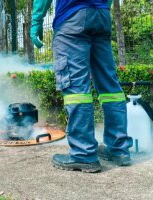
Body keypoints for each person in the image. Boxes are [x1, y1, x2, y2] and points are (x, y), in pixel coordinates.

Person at [31, 0, 133, 173]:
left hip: (73, 16)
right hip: (101, 15)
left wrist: (36, 21)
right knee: (110, 87)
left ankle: (82, 153)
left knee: (75, 89)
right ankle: (119, 149)